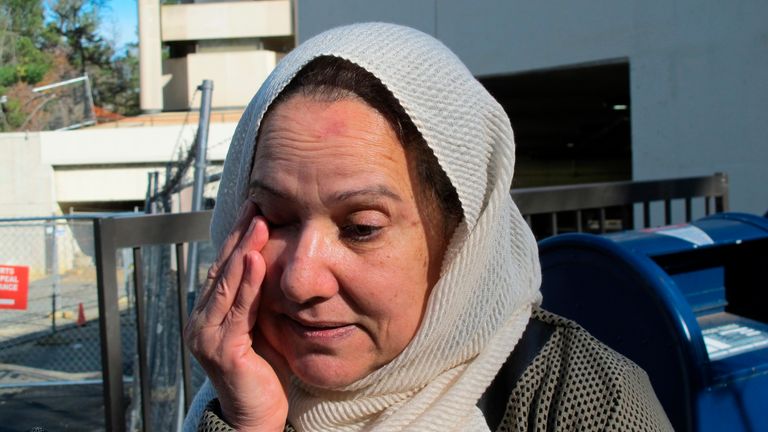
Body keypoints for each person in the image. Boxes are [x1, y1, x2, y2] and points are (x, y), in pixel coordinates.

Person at [183, 23, 673, 432]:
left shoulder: (580, 402)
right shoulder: (235, 385)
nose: (299, 280)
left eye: (361, 228)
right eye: (275, 218)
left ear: (460, 236)